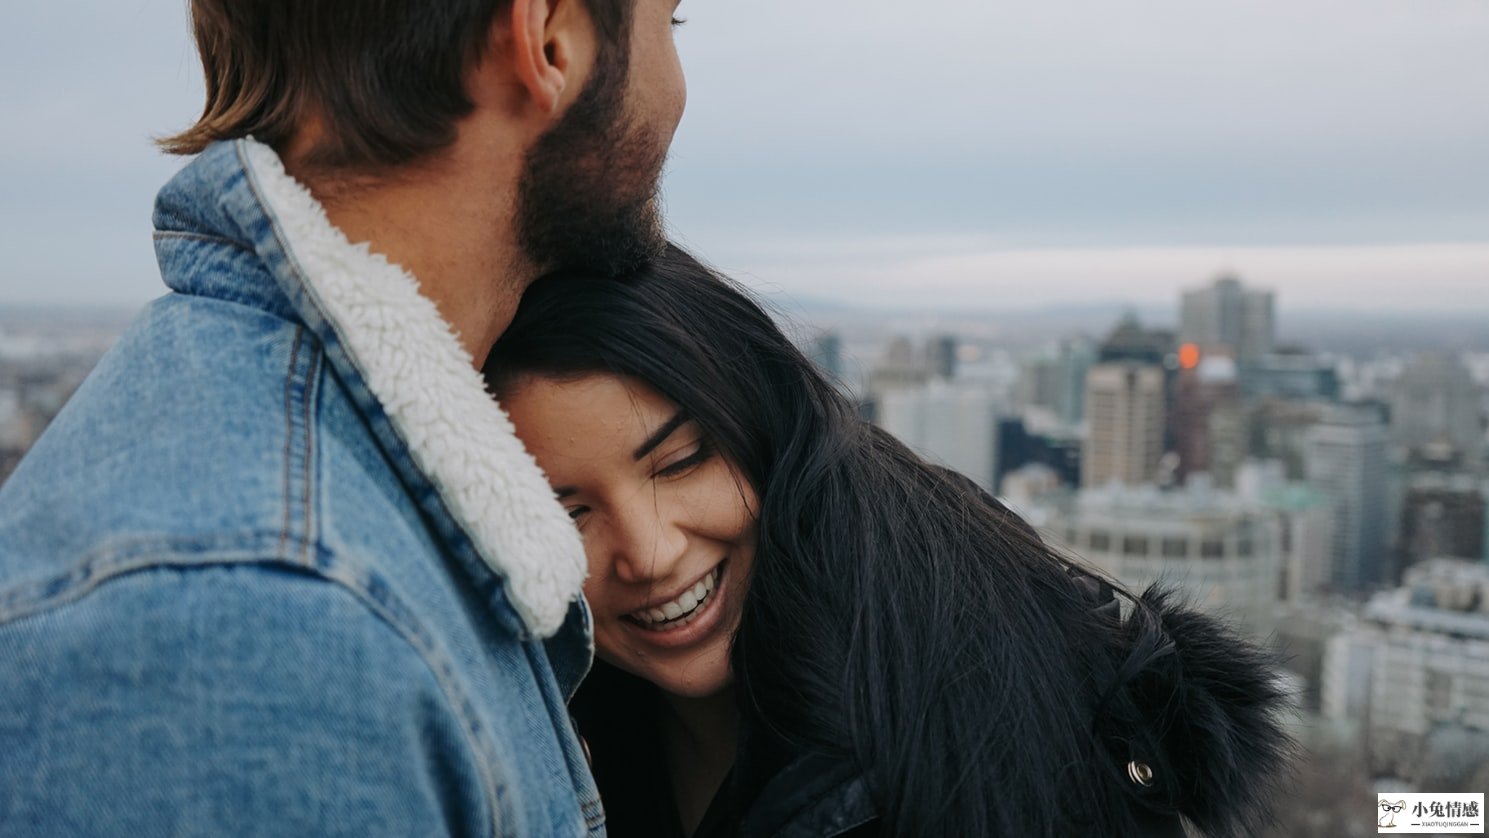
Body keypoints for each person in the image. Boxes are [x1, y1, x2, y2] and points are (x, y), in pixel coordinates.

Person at [0, 1, 686, 833]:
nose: (678, 87)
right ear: (547, 39)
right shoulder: (260, 627)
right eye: (671, 24)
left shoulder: (307, 533)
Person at [485, 245, 1296, 837]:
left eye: (681, 461)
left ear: (767, 432)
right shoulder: (544, 717)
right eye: (566, 511)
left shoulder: (1006, 726)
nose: (649, 551)